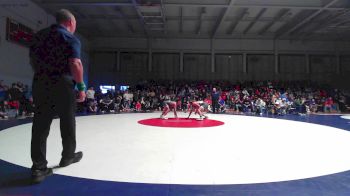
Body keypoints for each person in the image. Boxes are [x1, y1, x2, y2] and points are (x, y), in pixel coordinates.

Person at [29, 9, 86, 183]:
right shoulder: (70, 38)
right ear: (70, 23)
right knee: (67, 120)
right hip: (63, 83)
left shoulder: (39, 36)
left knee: (40, 123)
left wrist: (44, 74)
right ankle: (67, 156)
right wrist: (81, 86)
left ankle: (38, 168)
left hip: (41, 81)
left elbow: (32, 59)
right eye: (75, 25)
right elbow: (75, 63)